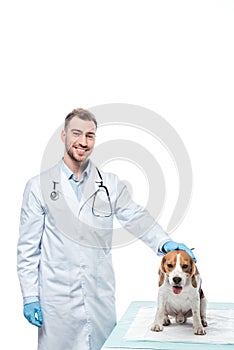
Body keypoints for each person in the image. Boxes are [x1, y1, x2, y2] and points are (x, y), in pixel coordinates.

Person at [17, 108, 196, 350]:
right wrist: (30, 296)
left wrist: (165, 243)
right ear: (63, 136)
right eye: (76, 133)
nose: (83, 142)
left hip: (98, 294)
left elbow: (135, 217)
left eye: (90, 135)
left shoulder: (109, 184)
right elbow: (28, 250)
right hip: (57, 298)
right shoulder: (39, 186)